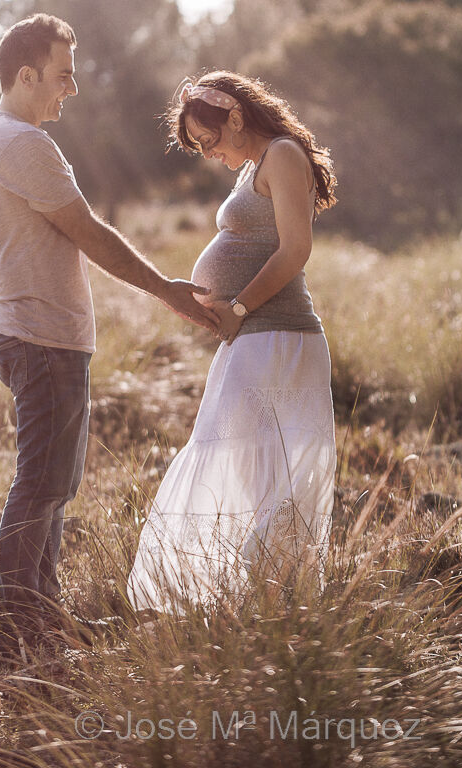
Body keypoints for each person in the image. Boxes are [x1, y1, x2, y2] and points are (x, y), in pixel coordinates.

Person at [0, 14, 219, 668]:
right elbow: (89, 232)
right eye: (62, 76)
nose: (71, 90)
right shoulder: (21, 142)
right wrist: (166, 287)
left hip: (48, 338)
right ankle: (17, 639)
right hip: (40, 339)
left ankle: (40, 625)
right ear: (26, 77)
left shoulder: (6, 136)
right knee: (40, 486)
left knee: (52, 486)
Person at [127, 71, 337, 613]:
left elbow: (295, 250)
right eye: (199, 145)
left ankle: (269, 599)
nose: (208, 152)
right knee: (248, 474)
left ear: (237, 117)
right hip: (253, 340)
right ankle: (254, 605)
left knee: (276, 477)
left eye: (210, 138)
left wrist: (239, 308)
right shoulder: (252, 167)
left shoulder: (284, 156)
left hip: (279, 339)